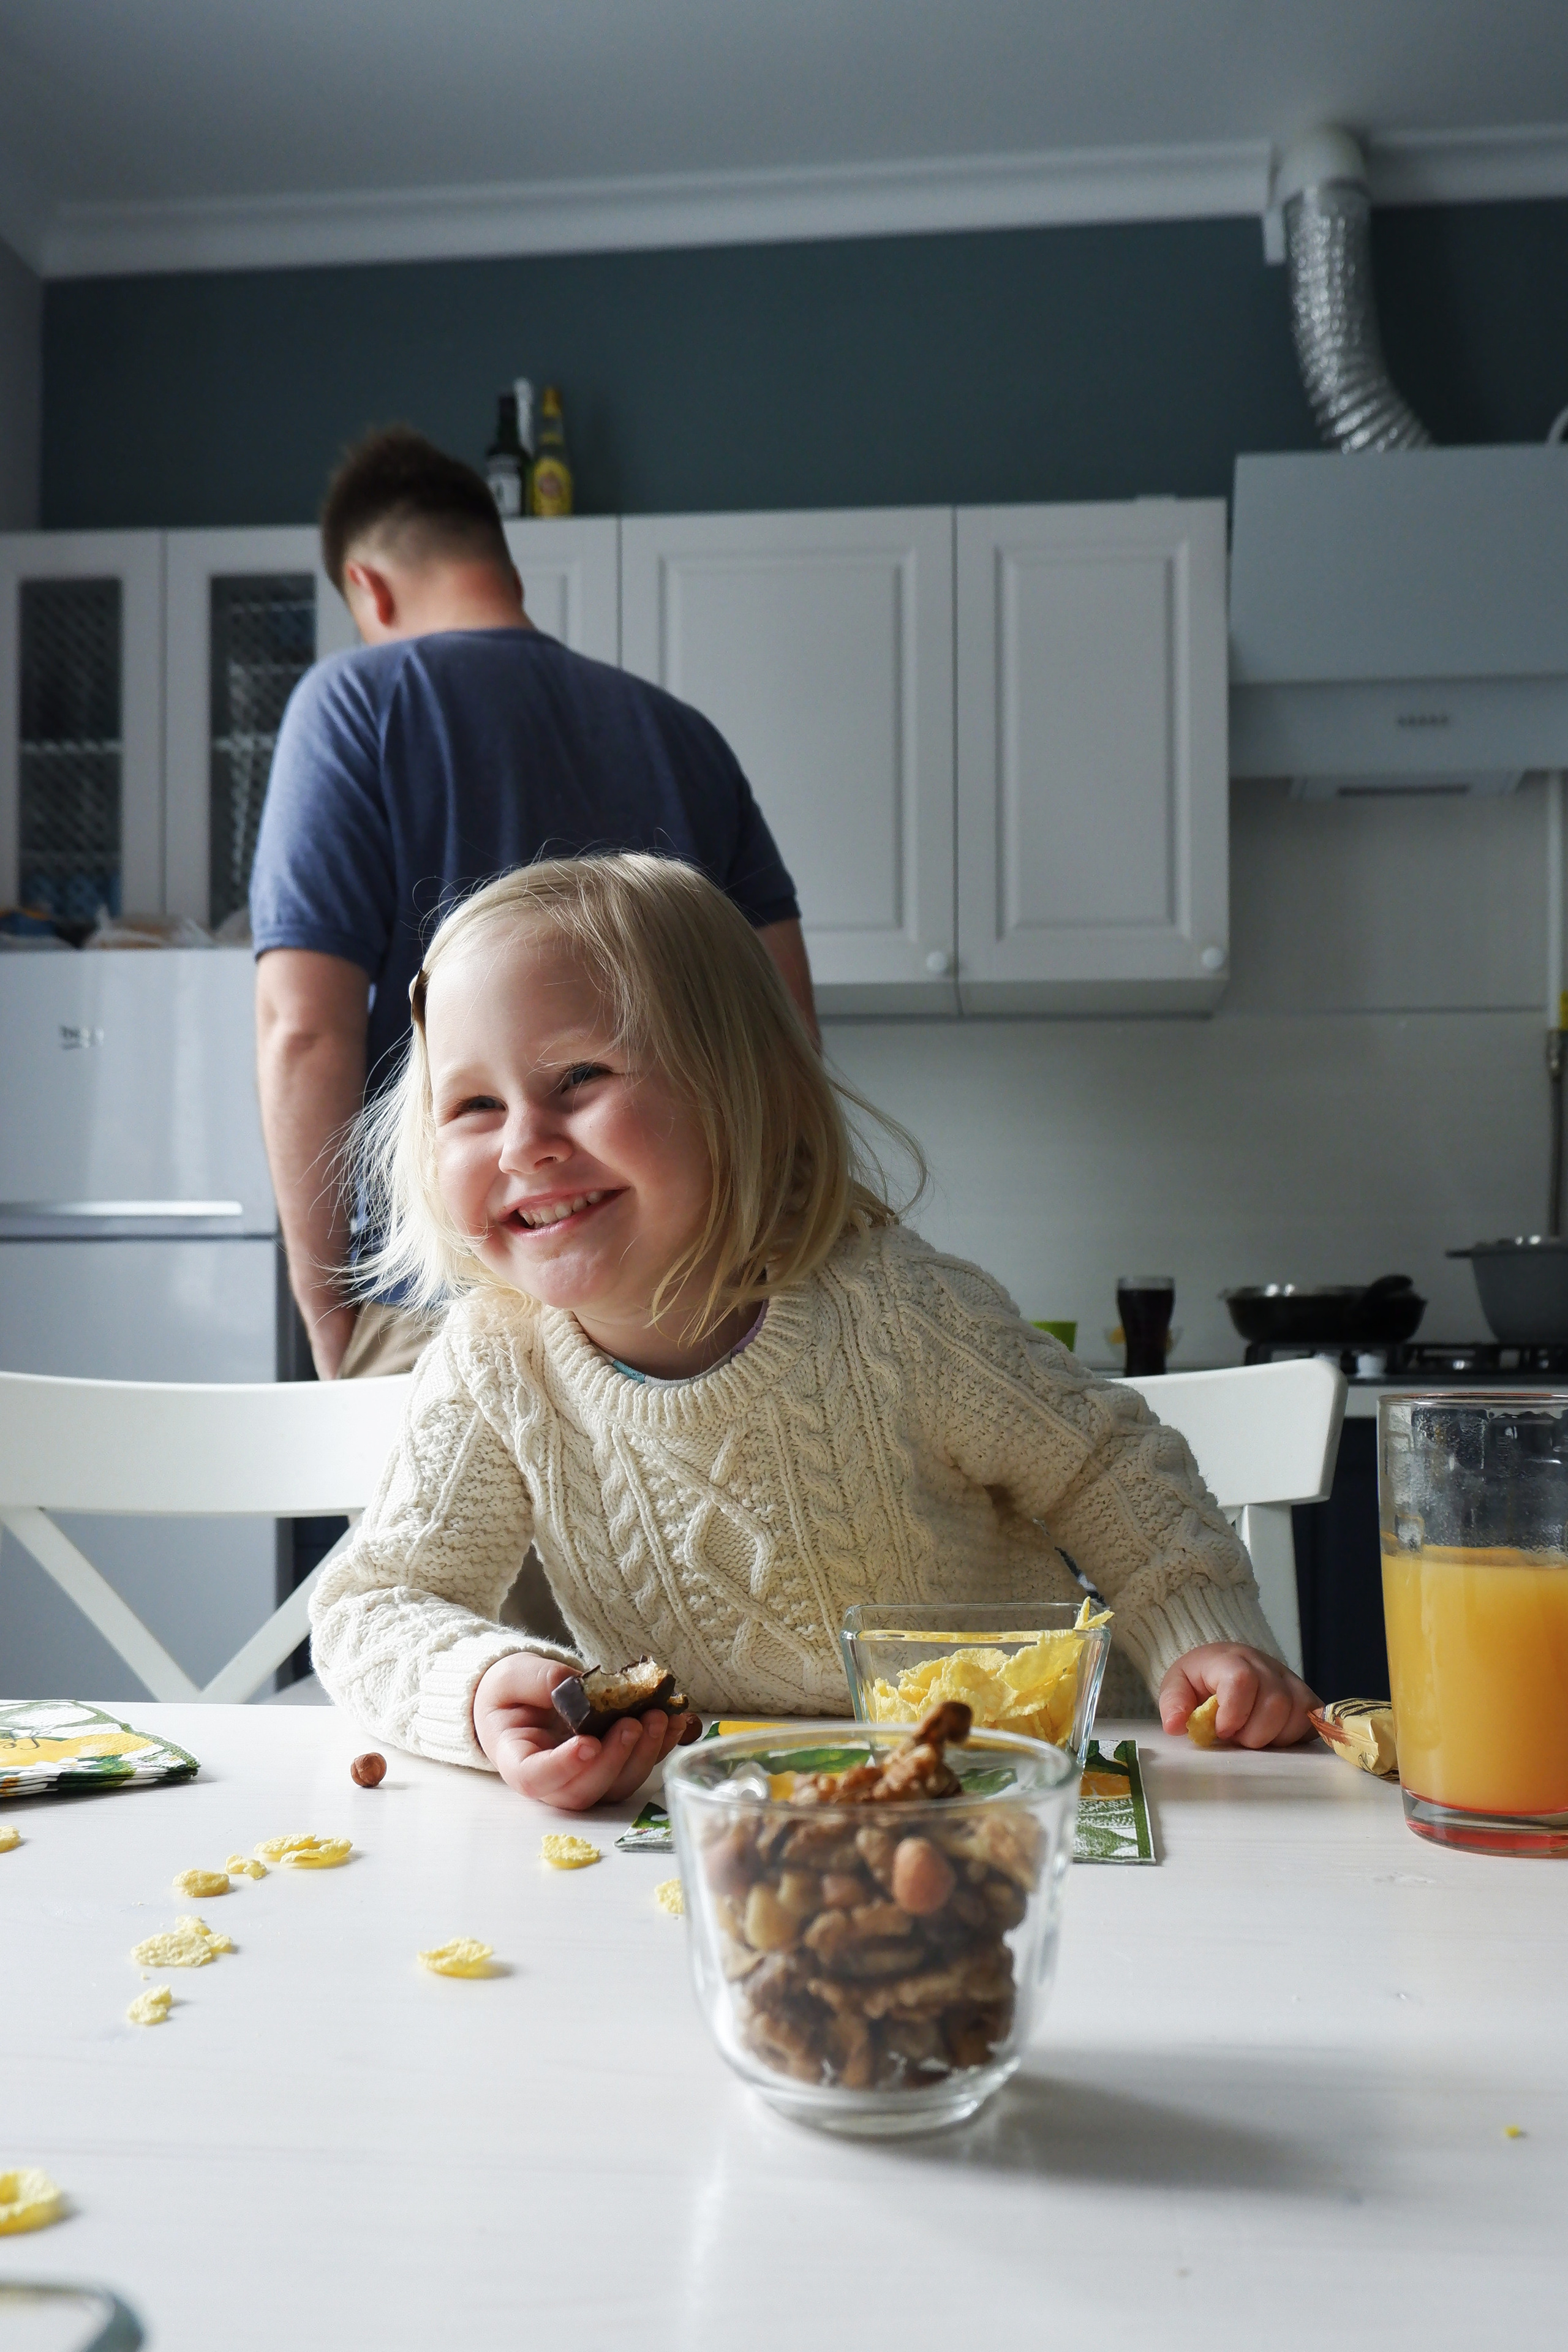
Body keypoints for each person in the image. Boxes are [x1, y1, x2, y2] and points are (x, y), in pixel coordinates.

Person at [308, 853, 1316, 1807]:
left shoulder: (897, 1312)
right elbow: (371, 1606)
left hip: (1036, 1781)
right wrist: (485, 1691)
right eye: (474, 1105)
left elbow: (1109, 1465)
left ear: (737, 1090)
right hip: (748, 1816)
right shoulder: (497, 1364)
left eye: (580, 1078)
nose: (524, 1144)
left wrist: (1197, 1635)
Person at [250, 426, 816, 1383]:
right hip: (693, 1315)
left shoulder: (354, 702)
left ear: (367, 590)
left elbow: (303, 1029)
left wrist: (326, 1308)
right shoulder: (682, 735)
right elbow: (786, 1032)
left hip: (448, 1306)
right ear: (503, 565)